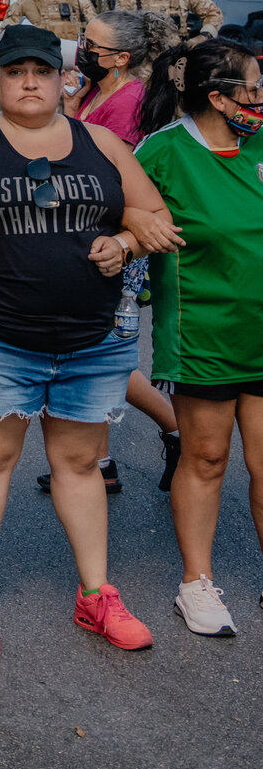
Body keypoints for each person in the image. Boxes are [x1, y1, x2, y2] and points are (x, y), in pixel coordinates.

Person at [0, 24, 180, 657]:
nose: (29, 81)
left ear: (66, 79)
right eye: (14, 71)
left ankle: (97, 596)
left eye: (42, 70)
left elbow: (154, 217)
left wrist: (122, 241)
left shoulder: (105, 143)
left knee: (80, 463)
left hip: (91, 337)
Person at [132, 39, 263, 636]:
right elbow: (124, 216)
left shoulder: (261, 141)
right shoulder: (162, 151)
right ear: (218, 96)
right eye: (253, 89)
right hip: (202, 330)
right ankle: (196, 583)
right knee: (206, 457)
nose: (261, 99)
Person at [55, 10, 182, 493]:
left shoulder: (129, 101)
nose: (81, 48)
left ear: (122, 58)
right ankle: (100, 462)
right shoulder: (94, 89)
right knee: (91, 351)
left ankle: (175, 430)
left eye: (91, 44)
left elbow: (101, 173)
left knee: (102, 354)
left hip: (115, 239)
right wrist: (68, 101)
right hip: (83, 235)